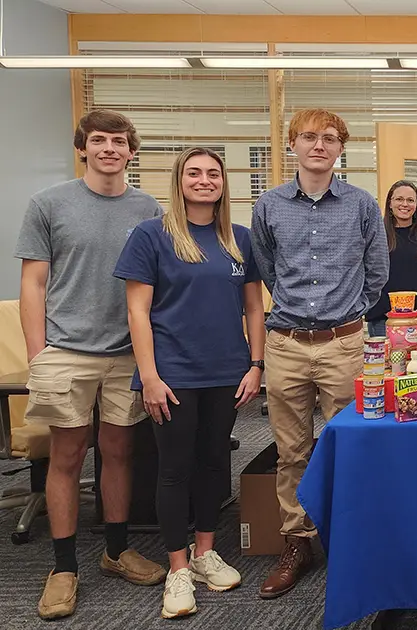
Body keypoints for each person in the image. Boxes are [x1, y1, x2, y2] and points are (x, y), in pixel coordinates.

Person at [16, 110, 167, 621]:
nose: (108, 148)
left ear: (131, 151)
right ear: (83, 148)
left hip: (126, 351)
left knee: (120, 450)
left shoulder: (148, 208)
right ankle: (63, 568)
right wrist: (38, 353)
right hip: (67, 349)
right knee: (67, 453)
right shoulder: (49, 204)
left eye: (118, 141)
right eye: (98, 140)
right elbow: (34, 282)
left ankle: (115, 550)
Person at [114, 147, 266, 618]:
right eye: (194, 173)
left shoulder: (238, 239)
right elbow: (137, 310)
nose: (204, 180)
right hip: (173, 374)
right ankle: (178, 567)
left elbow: (255, 307)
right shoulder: (151, 236)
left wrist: (256, 364)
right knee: (175, 468)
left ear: (224, 183)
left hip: (227, 370)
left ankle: (204, 553)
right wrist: (150, 376)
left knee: (214, 462)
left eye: (213, 174)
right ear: (179, 180)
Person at [250, 108, 388, 599]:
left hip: (344, 344)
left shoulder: (361, 205)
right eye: (308, 137)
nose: (319, 146)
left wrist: (344, 313)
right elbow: (268, 270)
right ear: (292, 145)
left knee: (350, 444)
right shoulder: (268, 206)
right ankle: (297, 543)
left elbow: (377, 274)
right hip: (286, 345)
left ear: (340, 149)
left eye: (329, 139)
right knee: (293, 452)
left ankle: (349, 538)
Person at [365, 180, 417, 337]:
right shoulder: (375, 236)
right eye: (399, 199)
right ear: (390, 203)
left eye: (410, 200)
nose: (404, 204)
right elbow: (368, 276)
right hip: (383, 319)